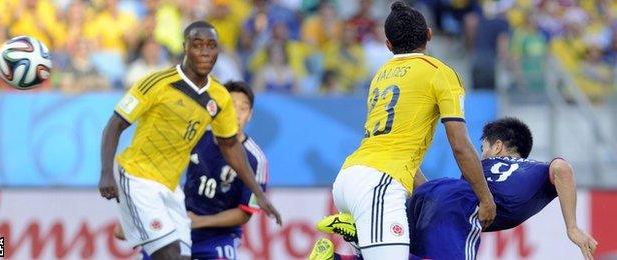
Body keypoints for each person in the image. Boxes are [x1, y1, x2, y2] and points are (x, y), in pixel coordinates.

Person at [98, 21, 281, 260]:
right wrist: (106, 172)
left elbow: (229, 145)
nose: (205, 52)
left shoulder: (219, 97)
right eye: (198, 45)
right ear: (185, 48)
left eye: (211, 46)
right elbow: (115, 124)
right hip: (137, 177)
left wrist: (260, 193)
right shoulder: (157, 83)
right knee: (171, 255)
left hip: (170, 188)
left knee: (182, 257)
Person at [330, 2, 495, 259]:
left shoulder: (380, 75)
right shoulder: (440, 73)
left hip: (349, 176)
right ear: (429, 34)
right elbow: (460, 145)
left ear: (388, 44)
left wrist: (426, 192)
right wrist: (486, 199)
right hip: (380, 184)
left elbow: (396, 144)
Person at [312, 117, 599, 260]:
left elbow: (432, 192)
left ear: (499, 146)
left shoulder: (486, 169)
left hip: (435, 194)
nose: (484, 153)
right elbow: (561, 168)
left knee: (394, 254)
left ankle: (336, 256)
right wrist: (572, 227)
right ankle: (362, 240)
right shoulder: (534, 168)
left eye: (484, 147)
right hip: (461, 205)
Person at [185, 81, 268, 259]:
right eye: (231, 105)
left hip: (220, 237)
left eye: (243, 108)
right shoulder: (198, 134)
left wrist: (199, 222)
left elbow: (246, 212)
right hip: (181, 224)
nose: (236, 114)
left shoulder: (256, 159)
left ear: (250, 115)